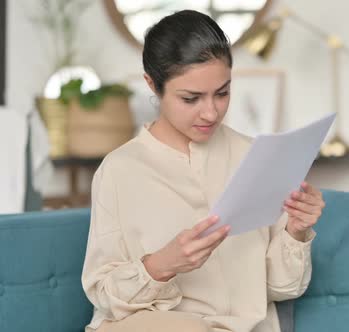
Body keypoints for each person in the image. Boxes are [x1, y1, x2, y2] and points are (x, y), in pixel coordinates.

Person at [81, 10, 325, 332]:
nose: (210, 112)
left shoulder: (257, 157)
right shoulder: (119, 170)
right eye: (190, 98)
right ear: (153, 85)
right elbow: (104, 295)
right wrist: (161, 265)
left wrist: (296, 231)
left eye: (222, 93)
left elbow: (283, 289)